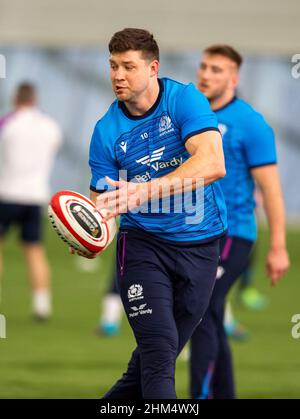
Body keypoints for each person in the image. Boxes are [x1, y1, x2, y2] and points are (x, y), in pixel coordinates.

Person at [70, 28, 227, 399]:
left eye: (127, 66)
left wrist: (146, 189)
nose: (117, 75)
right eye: (112, 66)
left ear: (152, 67)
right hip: (143, 248)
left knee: (150, 364)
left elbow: (213, 162)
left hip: (200, 245)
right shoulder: (107, 132)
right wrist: (89, 235)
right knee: (159, 349)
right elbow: (103, 208)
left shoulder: (184, 101)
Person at [190, 45, 290, 399]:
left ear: (234, 78)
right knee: (211, 314)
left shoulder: (250, 124)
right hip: (195, 233)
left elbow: (272, 190)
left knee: (202, 309)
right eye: (203, 66)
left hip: (234, 234)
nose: (205, 74)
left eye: (216, 69)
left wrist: (278, 246)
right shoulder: (189, 117)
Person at [0, 83, 62, 319]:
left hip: (7, 192)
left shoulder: (7, 123)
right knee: (34, 249)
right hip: (35, 195)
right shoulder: (50, 126)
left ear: (16, 98)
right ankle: (41, 303)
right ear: (35, 99)